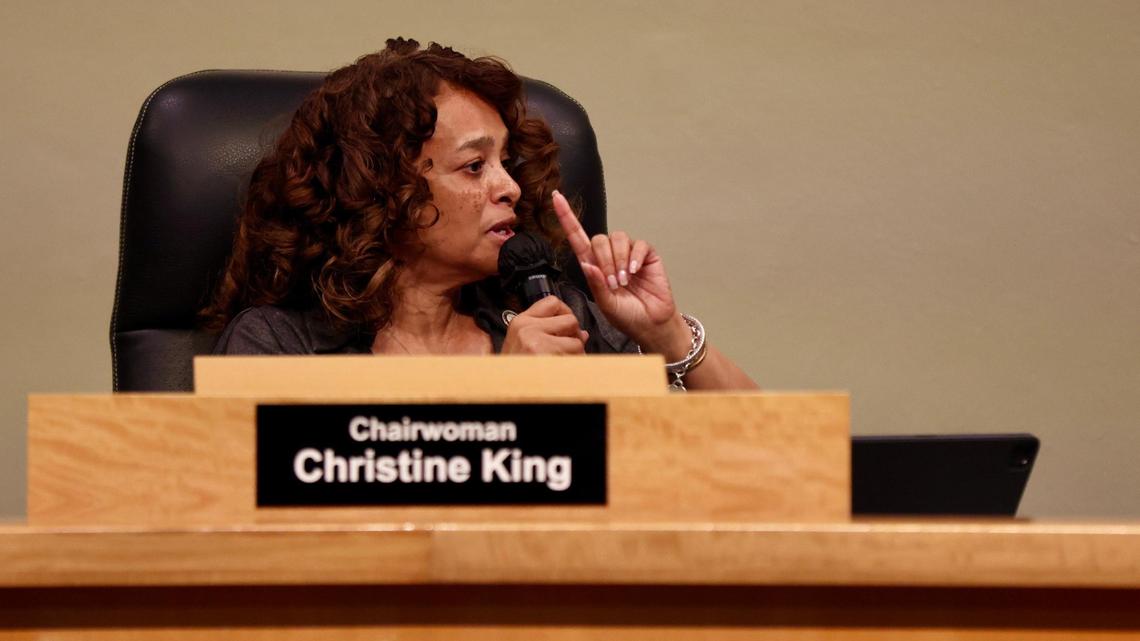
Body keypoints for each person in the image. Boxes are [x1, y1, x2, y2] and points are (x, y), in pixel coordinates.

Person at [203, 38, 756, 391]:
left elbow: (769, 453)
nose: (511, 187)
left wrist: (666, 337)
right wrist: (500, 395)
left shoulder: (556, 318)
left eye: (506, 163)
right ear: (382, 189)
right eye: (474, 167)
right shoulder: (279, 347)